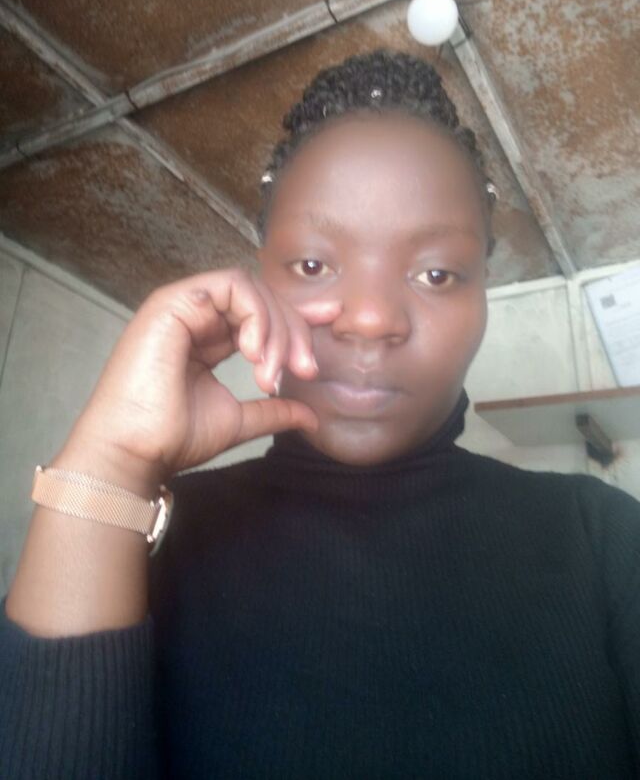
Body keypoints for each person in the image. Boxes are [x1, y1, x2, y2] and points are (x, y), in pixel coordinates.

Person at [1, 50, 638, 779]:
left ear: (482, 291)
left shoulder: (603, 538)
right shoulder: (140, 537)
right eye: (312, 266)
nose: (370, 320)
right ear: (256, 282)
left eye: (436, 273)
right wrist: (112, 459)